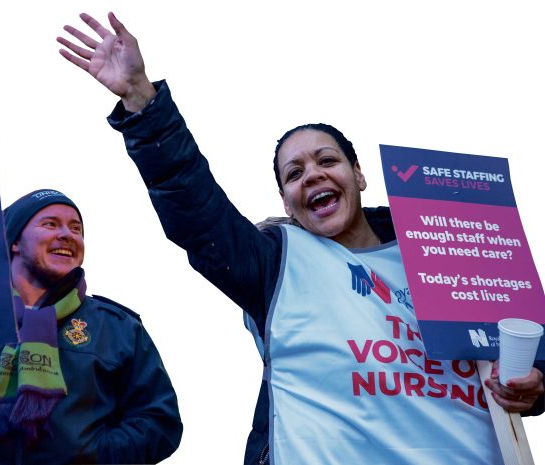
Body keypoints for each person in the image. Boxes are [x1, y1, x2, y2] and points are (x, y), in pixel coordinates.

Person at [57, 12, 545, 465]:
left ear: (358, 174)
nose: (312, 175)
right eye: (295, 173)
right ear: (288, 201)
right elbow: (193, 206)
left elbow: (527, 352)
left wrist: (535, 384)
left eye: (327, 161)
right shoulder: (272, 263)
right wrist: (143, 100)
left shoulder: (450, 248)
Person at [0, 188, 182, 464]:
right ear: (14, 242)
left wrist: (95, 454)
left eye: (76, 228)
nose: (67, 235)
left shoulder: (118, 328)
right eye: (51, 224)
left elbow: (159, 421)